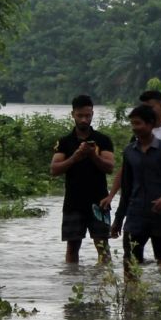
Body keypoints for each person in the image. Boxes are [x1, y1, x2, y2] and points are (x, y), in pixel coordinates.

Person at [109, 104, 161, 283]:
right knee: (130, 263)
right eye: (132, 124)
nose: (135, 128)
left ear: (150, 124)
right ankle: (131, 305)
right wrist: (118, 220)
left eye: (138, 123)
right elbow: (126, 189)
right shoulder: (129, 152)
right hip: (135, 217)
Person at [50, 94, 115, 264]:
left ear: (92, 114)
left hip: (99, 201)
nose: (84, 120)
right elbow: (54, 169)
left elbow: (110, 167)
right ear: (73, 115)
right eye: (80, 116)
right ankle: (72, 281)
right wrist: (75, 158)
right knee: (72, 247)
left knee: (102, 246)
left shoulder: (103, 140)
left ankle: (104, 283)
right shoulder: (64, 142)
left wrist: (93, 156)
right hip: (73, 201)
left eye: (88, 115)